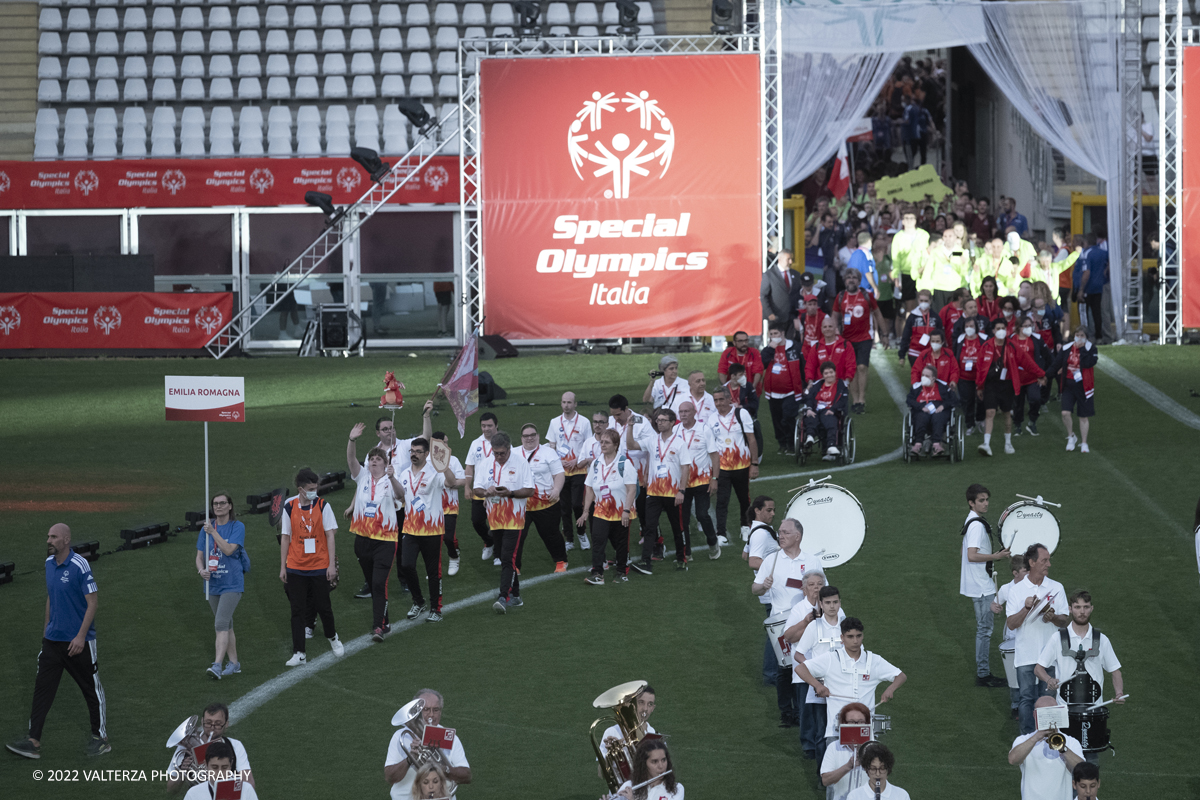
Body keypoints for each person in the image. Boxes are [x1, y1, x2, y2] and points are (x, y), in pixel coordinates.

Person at [7, 523, 108, 759]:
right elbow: (51, 598)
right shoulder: (48, 565)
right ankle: (33, 741)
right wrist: (46, 630)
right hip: (53, 642)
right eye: (48, 537)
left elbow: (92, 602)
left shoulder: (79, 565)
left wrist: (81, 637)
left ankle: (101, 739)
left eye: (53, 537)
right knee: (42, 689)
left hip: (78, 643)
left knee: (91, 690)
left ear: (66, 540)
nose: (48, 541)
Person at [1034, 590, 1123, 763]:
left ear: (1091, 609)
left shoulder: (1101, 639)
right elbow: (1038, 668)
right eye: (1077, 607)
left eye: (1085, 607)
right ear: (1070, 609)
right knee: (1063, 761)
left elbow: (1115, 670)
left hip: (1093, 711)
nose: (1082, 611)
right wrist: (1049, 679)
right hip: (1065, 711)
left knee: (1090, 763)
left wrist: (1119, 692)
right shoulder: (1057, 638)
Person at [794, 617, 907, 749]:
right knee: (835, 770)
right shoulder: (831, 658)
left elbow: (900, 676)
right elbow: (800, 668)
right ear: (842, 637)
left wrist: (890, 689)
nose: (855, 641)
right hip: (836, 732)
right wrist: (817, 685)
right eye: (850, 636)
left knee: (866, 769)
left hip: (865, 731)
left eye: (858, 636)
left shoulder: (874, 661)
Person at [347, 423, 406, 641]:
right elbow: (351, 460)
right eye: (371, 458)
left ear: (386, 463)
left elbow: (401, 496)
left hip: (385, 540)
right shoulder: (362, 477)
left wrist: (391, 477)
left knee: (380, 583)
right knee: (373, 583)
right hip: (362, 540)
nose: (373, 461)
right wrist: (352, 440)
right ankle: (385, 619)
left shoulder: (391, 480)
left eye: (378, 459)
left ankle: (378, 627)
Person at [281, 468, 343, 663]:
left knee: (324, 607)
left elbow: (330, 535)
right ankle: (299, 653)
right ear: (300, 489)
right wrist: (283, 566)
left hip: (319, 565)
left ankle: (333, 637)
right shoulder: (289, 506)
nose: (314, 491)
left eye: (315, 488)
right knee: (297, 610)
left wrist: (331, 565)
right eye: (310, 488)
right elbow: (285, 537)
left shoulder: (323, 506)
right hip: (296, 566)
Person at [1006, 543, 1070, 735]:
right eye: (1044, 560)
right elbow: (1011, 624)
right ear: (1032, 562)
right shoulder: (1016, 590)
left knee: (1048, 698)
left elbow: (1065, 621)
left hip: (1049, 656)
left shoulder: (1056, 587)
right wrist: (1026, 609)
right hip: (1026, 656)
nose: (1049, 564)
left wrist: (1054, 617)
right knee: (1026, 699)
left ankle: (1049, 740)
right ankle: (1027, 740)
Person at [398, 437, 462, 623]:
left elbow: (451, 483)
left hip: (432, 531)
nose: (414, 454)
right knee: (406, 565)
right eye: (412, 451)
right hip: (410, 529)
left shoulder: (434, 472)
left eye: (418, 451)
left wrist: (444, 466)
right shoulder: (404, 474)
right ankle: (418, 601)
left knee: (433, 571)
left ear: (426, 454)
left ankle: (436, 608)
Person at [472, 431, 535, 614]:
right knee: (502, 556)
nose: (499, 457)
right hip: (495, 520)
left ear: (509, 449)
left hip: (514, 519)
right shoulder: (485, 464)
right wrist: (486, 492)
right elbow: (477, 488)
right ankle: (516, 596)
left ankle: (503, 597)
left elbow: (530, 490)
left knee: (508, 558)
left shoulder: (521, 462)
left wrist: (510, 493)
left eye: (502, 453)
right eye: (496, 453)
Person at [959, 484, 1010, 687]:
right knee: (985, 630)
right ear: (971, 503)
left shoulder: (971, 521)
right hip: (981, 585)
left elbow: (964, 553)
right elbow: (971, 555)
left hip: (979, 581)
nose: (986, 503)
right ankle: (983, 675)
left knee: (984, 629)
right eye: (981, 500)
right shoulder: (977, 525)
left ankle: (983, 672)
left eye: (987, 499)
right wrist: (996, 556)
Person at [628, 408, 691, 573]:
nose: (659, 422)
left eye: (663, 420)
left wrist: (681, 491)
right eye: (658, 420)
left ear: (672, 423)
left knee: (677, 527)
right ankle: (645, 561)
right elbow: (631, 445)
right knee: (649, 527)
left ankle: (681, 558)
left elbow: (685, 468)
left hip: (673, 493)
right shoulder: (652, 440)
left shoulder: (679, 443)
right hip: (654, 493)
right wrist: (629, 427)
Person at [976, 317, 1045, 457]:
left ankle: (1008, 442)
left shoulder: (1013, 346)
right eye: (998, 328)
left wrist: (1041, 374)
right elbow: (980, 367)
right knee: (990, 412)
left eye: (1003, 328)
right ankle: (986, 444)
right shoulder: (987, 346)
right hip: (991, 385)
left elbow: (1027, 362)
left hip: (1007, 384)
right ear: (993, 330)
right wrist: (979, 386)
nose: (1001, 331)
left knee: (1006, 413)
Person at [385, 689, 472, 800]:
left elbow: (466, 776)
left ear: (441, 711)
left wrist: (443, 769)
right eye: (426, 710)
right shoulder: (400, 737)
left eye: (435, 710)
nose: (431, 715)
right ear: (416, 710)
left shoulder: (449, 737)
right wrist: (410, 759)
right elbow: (390, 777)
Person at [794, 584, 848, 760]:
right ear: (821, 604)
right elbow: (798, 654)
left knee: (844, 730)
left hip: (842, 686)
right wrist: (812, 667)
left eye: (835, 602)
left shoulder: (845, 626)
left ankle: (842, 768)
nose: (832, 606)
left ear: (840, 603)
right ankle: (822, 774)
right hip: (820, 687)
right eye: (828, 602)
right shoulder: (814, 627)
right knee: (821, 732)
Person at [197, 492, 247, 679]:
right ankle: (234, 663)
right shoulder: (206, 529)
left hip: (232, 583)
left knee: (220, 623)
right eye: (215, 504)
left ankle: (217, 665)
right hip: (213, 583)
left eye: (222, 503)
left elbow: (227, 549)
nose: (218, 507)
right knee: (227, 624)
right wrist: (201, 570)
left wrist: (213, 532)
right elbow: (199, 556)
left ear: (230, 506)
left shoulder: (237, 526)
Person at [579, 429, 639, 584]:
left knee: (621, 542)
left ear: (616, 445)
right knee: (598, 541)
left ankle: (621, 572)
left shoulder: (624, 463)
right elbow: (589, 488)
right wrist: (585, 511)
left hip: (621, 510)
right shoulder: (596, 464)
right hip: (601, 510)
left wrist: (626, 510)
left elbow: (632, 488)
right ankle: (597, 573)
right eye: (601, 442)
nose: (603, 445)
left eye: (607, 442)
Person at [166, 702, 254, 794]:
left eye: (218, 724)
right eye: (208, 723)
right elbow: (171, 790)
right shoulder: (184, 749)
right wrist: (182, 773)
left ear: (226, 724)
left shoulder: (235, 745)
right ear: (202, 721)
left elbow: (249, 784)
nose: (212, 728)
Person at [516, 424, 569, 575]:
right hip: (522, 503)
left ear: (538, 436)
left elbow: (559, 474)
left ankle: (561, 561)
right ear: (521, 438)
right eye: (526, 436)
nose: (530, 438)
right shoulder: (513, 453)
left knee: (550, 533)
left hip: (546, 502)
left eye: (533, 434)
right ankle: (515, 565)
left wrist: (557, 490)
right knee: (518, 535)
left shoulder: (548, 453)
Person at [708, 386, 758, 544]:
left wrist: (754, 464)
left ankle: (745, 527)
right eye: (715, 400)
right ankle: (721, 533)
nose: (718, 403)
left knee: (744, 499)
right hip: (722, 467)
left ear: (729, 399)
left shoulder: (741, 414)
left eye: (721, 399)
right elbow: (711, 447)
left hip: (742, 466)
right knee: (722, 500)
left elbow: (751, 439)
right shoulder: (711, 419)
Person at [1008, 697, 1084, 800]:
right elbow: (1013, 760)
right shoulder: (1023, 740)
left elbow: (1082, 769)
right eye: (1044, 714)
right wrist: (1036, 737)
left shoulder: (1071, 742)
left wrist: (1062, 748)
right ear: (1035, 715)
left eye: (1052, 713)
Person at [832, 267, 886, 414]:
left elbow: (878, 314)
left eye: (854, 278)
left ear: (859, 280)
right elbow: (835, 316)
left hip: (864, 338)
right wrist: (835, 333)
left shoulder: (866, 295)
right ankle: (855, 399)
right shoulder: (841, 296)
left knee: (862, 367)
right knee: (851, 370)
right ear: (844, 281)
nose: (851, 280)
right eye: (848, 278)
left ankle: (862, 399)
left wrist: (884, 334)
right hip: (846, 339)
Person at [547, 391, 592, 551]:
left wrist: (577, 460)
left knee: (577, 505)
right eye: (564, 402)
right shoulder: (554, 422)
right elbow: (551, 446)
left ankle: (581, 533)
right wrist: (558, 460)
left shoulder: (584, 423)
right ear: (561, 404)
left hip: (579, 470)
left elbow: (589, 445)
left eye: (569, 402)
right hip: (561, 473)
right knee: (564, 507)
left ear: (575, 404)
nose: (566, 405)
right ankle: (569, 539)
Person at [676, 400, 720, 557]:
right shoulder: (675, 431)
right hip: (683, 483)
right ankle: (686, 552)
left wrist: (714, 478)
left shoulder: (704, 430)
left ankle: (712, 541)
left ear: (694, 412)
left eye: (686, 411)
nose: (683, 415)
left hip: (702, 481)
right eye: (681, 412)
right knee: (684, 519)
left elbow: (714, 455)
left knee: (702, 514)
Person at [1048, 327, 1098, 453]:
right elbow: (1056, 364)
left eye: (1082, 335)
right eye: (1077, 334)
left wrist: (1082, 349)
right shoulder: (1066, 348)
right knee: (1065, 413)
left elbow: (1089, 363)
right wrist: (1045, 376)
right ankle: (1071, 437)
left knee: (1083, 416)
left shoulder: (1091, 348)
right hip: (1068, 386)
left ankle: (1084, 442)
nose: (1079, 337)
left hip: (1084, 387)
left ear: (1086, 337)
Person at [760, 322, 804, 456]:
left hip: (791, 391)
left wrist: (806, 383)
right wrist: (769, 349)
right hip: (773, 392)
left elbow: (803, 366)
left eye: (776, 334)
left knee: (788, 417)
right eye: (771, 334)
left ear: (782, 334)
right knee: (777, 420)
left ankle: (792, 443)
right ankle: (782, 444)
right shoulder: (768, 349)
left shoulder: (794, 347)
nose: (773, 337)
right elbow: (762, 363)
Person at [994, 554, 1029, 717]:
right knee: (1014, 673)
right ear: (1015, 573)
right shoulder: (1006, 589)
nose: (1028, 573)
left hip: (1030, 637)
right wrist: (994, 608)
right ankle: (1016, 705)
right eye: (1024, 571)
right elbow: (994, 603)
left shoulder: (1033, 587)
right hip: (1012, 637)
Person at [463, 411, 500, 562]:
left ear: (496, 425)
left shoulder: (503, 442)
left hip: (497, 490)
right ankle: (489, 541)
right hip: (479, 490)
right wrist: (467, 486)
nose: (486, 429)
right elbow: (469, 466)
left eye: (489, 425)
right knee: (477, 521)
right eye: (483, 426)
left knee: (497, 522)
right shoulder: (475, 443)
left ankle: (498, 554)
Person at [430, 431, 466, 575]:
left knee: (448, 537)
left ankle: (453, 556)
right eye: (444, 442)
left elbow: (463, 481)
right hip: (431, 506)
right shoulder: (426, 461)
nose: (447, 445)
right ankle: (433, 567)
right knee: (433, 540)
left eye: (447, 441)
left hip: (450, 505)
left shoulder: (453, 460)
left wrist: (449, 484)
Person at [1010, 315, 1052, 437]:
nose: (1029, 328)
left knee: (1035, 399)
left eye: (1030, 326)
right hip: (1017, 378)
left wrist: (1046, 373)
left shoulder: (1036, 339)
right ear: (1019, 327)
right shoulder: (1011, 339)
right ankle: (1017, 426)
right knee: (1017, 404)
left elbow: (1047, 356)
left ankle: (1032, 421)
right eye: (1026, 326)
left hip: (1033, 377)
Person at [820, 703, 871, 800]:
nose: (856, 726)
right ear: (843, 723)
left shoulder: (875, 748)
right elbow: (826, 780)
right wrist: (848, 766)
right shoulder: (833, 747)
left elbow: (882, 780)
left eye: (860, 722)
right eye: (852, 722)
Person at [801, 361, 849, 461]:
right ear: (822, 375)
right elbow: (809, 398)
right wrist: (809, 409)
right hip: (816, 410)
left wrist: (833, 409)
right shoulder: (817, 385)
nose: (829, 375)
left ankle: (831, 445)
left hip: (830, 411)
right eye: (826, 373)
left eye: (831, 372)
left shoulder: (841, 386)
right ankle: (810, 437)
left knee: (828, 418)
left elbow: (842, 401)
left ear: (835, 372)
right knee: (811, 416)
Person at [181, 740, 260, 800]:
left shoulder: (246, 789)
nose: (220, 773)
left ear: (231, 764)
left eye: (224, 767)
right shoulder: (193, 794)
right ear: (206, 764)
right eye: (214, 767)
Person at [905, 364, 955, 457]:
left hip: (939, 410)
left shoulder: (943, 387)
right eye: (923, 375)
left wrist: (943, 406)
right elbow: (909, 400)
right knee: (921, 417)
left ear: (933, 378)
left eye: (927, 376)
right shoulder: (916, 388)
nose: (924, 378)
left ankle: (936, 444)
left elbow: (953, 399)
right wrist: (920, 407)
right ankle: (918, 444)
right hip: (922, 409)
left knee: (938, 417)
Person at [890, 210, 930, 317]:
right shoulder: (898, 237)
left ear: (915, 221)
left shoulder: (924, 235)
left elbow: (927, 253)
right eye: (906, 218)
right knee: (909, 305)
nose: (909, 221)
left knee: (923, 302)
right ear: (902, 221)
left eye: (911, 218)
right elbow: (895, 258)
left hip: (922, 273)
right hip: (906, 274)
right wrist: (896, 276)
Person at [616, 738, 682, 800]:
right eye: (655, 762)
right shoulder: (628, 786)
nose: (661, 766)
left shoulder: (677, 789)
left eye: (663, 760)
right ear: (644, 764)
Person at [805, 316, 856, 387]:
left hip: (840, 385)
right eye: (825, 327)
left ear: (835, 328)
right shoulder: (816, 347)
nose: (827, 329)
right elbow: (810, 366)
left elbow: (851, 365)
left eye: (830, 326)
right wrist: (810, 382)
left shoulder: (845, 345)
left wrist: (847, 381)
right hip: (821, 386)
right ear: (821, 329)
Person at [897, 288, 942, 366]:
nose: (923, 303)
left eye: (926, 301)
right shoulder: (912, 317)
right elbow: (906, 336)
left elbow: (941, 335)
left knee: (930, 375)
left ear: (930, 301)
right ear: (918, 301)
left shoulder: (935, 317)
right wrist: (902, 355)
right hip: (914, 352)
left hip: (931, 352)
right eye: (921, 301)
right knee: (916, 376)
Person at [1078, 227, 1108, 343]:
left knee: (1085, 312)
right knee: (1097, 312)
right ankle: (1099, 336)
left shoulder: (1087, 253)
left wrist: (1081, 289)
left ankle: (1086, 336)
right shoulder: (1102, 252)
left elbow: (1087, 272)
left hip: (1089, 287)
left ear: (1086, 242)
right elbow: (1111, 260)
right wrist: (1105, 271)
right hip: (1099, 286)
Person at [761, 248, 801, 327]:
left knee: (790, 339)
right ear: (780, 259)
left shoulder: (796, 274)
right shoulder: (769, 275)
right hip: (776, 317)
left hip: (792, 317)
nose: (791, 262)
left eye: (791, 259)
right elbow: (763, 296)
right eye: (788, 259)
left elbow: (798, 293)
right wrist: (769, 313)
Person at [718, 330, 765, 395]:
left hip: (751, 391)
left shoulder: (754, 353)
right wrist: (725, 388)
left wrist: (752, 388)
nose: (744, 343)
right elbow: (722, 371)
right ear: (734, 343)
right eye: (740, 341)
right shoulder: (727, 353)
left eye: (746, 340)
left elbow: (758, 372)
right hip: (732, 391)